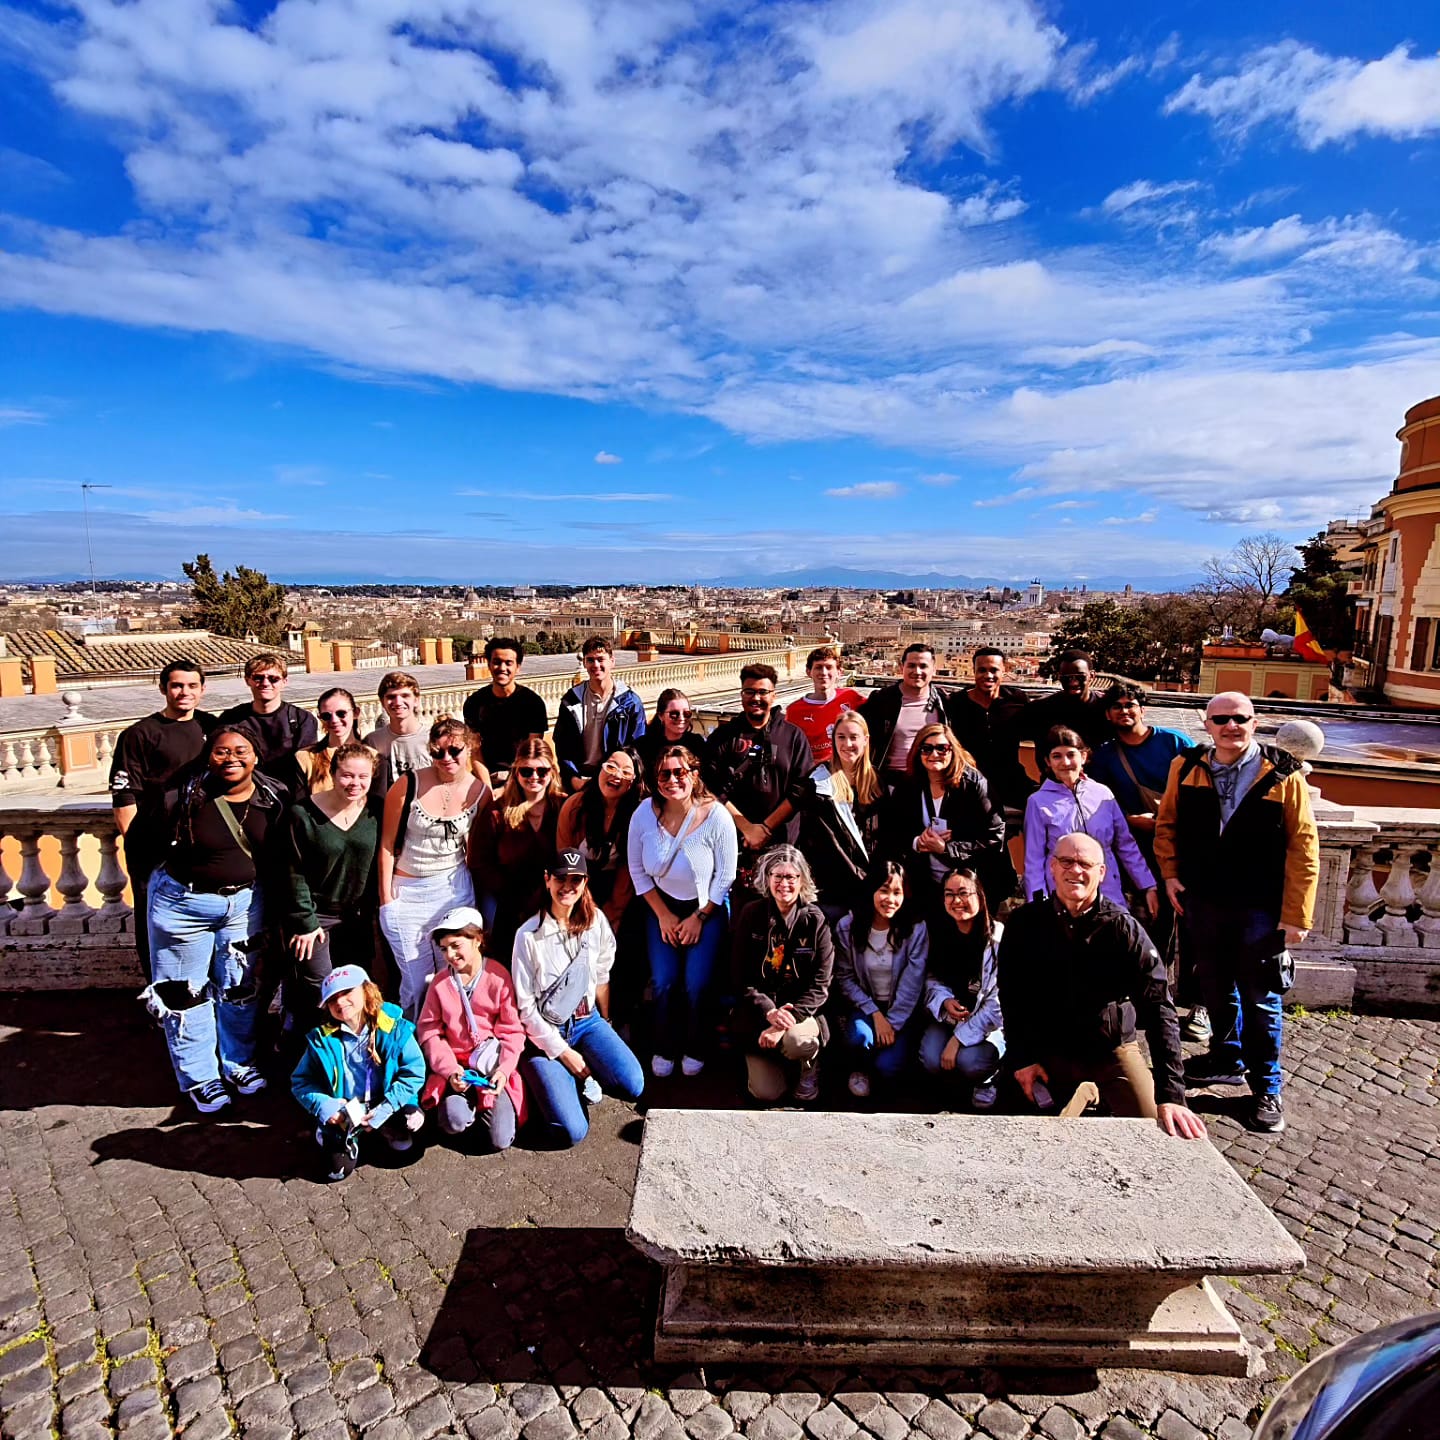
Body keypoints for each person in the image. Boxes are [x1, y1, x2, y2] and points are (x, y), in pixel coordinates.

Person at [1155, 692, 1319, 1136]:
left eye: (1240, 719)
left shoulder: (1283, 774)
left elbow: (1303, 848)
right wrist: (1170, 875)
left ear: (1254, 722)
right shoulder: (1186, 767)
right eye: (1221, 719)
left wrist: (1297, 915)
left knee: (1261, 997)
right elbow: (1166, 825)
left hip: (1260, 906)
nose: (1231, 726)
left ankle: (1266, 1087)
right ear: (1207, 724)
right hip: (1203, 899)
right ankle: (1226, 1057)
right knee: (1213, 985)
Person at [996, 834, 1206, 1139]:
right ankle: (1088, 1092)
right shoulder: (1024, 924)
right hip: (1049, 1047)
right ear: (1052, 867)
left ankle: (1101, 1087)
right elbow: (1012, 997)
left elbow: (1160, 1007)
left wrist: (1172, 1095)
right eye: (1066, 861)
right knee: (1020, 1133)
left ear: (1101, 873)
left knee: (1155, 1130)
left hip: (1111, 1050)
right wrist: (1022, 1058)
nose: (1075, 870)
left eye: (1085, 863)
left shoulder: (1125, 929)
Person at [140, 727, 288, 1114]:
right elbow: (143, 843)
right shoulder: (183, 796)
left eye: (241, 751)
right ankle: (200, 1077)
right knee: (183, 993)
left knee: (238, 987)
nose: (232, 758)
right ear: (209, 757)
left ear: (256, 757)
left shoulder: (274, 798)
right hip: (183, 905)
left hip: (244, 905)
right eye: (222, 752)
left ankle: (238, 1063)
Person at [512, 852, 644, 1148]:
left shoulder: (596, 921)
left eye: (576, 880)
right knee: (572, 1131)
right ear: (547, 880)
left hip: (587, 1021)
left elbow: (601, 975)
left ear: (585, 883)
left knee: (633, 1084)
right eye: (561, 879)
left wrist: (605, 1024)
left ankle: (572, 1078)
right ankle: (549, 1080)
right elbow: (525, 1008)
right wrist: (563, 1052)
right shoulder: (528, 935)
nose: (567, 886)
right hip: (545, 1031)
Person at [1087, 682, 1199, 1030]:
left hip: (1186, 847)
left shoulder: (1175, 743)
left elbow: (1203, 786)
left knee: (1195, 927)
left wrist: (1168, 815)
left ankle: (1198, 1004)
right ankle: (1153, 996)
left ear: (1142, 709)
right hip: (1136, 852)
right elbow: (1099, 800)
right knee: (1151, 926)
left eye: (1130, 705)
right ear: (1108, 714)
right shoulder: (1105, 755)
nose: (1124, 711)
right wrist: (1130, 818)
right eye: (1117, 706)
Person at [627, 746, 738, 1078]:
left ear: (694, 773)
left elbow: (726, 874)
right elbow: (637, 868)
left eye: (680, 772)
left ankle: (695, 1045)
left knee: (696, 984)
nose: (673, 779)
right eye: (664, 774)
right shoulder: (644, 813)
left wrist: (699, 917)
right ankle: (664, 1045)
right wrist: (663, 914)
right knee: (663, 981)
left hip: (705, 908)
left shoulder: (716, 816)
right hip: (660, 906)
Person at [377, 717, 490, 1022]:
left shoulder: (480, 792)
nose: (446, 759)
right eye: (437, 752)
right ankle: (411, 1048)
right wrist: (386, 900)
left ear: (469, 748)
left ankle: (447, 1045)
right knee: (415, 983)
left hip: (453, 892)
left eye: (454, 750)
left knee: (452, 976)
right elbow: (387, 844)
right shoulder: (408, 784)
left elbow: (475, 850)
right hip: (408, 892)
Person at [110, 658, 217, 979]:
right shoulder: (140, 734)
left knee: (202, 925)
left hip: (204, 847)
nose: (185, 692)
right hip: (153, 850)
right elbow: (124, 796)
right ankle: (160, 995)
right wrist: (138, 847)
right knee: (156, 928)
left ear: (202, 690)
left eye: (192, 686)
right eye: (177, 685)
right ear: (163, 689)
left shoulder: (212, 729)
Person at [291, 964, 426, 1183]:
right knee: (336, 1171)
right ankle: (332, 1133)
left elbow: (413, 1072)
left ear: (366, 990)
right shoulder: (321, 1039)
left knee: (407, 1145)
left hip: (385, 1101)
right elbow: (301, 1081)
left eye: (347, 993)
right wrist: (327, 1107)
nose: (340, 1002)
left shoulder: (394, 1027)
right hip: (345, 1109)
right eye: (332, 999)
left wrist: (389, 1106)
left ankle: (386, 1128)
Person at [283, 740, 384, 1028]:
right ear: (333, 772)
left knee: (356, 986)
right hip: (317, 916)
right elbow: (292, 871)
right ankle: (312, 1049)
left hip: (358, 916)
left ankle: (356, 1050)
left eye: (363, 777)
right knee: (322, 987)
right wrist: (305, 922)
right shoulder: (302, 814)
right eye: (347, 775)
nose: (355, 783)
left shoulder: (376, 810)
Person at [730, 846, 834, 1104]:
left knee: (798, 1041)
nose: (784, 883)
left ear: (802, 881)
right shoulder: (751, 914)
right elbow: (739, 977)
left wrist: (785, 1021)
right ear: (767, 878)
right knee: (767, 1093)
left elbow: (822, 983)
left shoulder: (815, 920)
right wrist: (769, 1011)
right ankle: (775, 1062)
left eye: (791, 877)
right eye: (777, 876)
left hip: (801, 1012)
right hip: (759, 1014)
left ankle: (808, 1066)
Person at [416, 907, 526, 1151]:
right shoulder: (440, 983)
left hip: (490, 1068)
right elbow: (429, 1032)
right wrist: (449, 1069)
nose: (450, 955)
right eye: (444, 949)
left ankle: (483, 1109)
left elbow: (512, 1030)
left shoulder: (498, 976)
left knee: (501, 1139)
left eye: (456, 945)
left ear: (477, 939)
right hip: (458, 1070)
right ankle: (457, 1108)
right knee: (452, 1121)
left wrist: (505, 1070)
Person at [1022, 726, 1158, 917]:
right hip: (1063, 895)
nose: (1065, 762)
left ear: (1084, 757)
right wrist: (1037, 905)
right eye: (1057, 756)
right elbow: (1034, 860)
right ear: (1048, 762)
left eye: (1071, 754)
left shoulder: (1103, 794)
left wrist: (1148, 886)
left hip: (1108, 890)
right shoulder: (1037, 802)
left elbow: (1126, 845)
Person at [880, 722, 1008, 910]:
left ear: (952, 750)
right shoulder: (908, 786)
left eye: (942, 748)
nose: (934, 755)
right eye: (926, 749)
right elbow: (892, 832)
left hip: (970, 888)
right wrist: (917, 842)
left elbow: (995, 837)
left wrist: (947, 848)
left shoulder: (973, 785)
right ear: (917, 752)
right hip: (925, 887)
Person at [833, 859, 928, 1098]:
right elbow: (844, 977)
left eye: (897, 892)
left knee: (888, 1066)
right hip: (866, 1007)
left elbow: (913, 982)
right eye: (884, 890)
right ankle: (859, 1068)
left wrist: (892, 1022)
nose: (890, 899)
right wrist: (875, 1014)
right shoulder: (848, 926)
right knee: (860, 1037)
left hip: (901, 1011)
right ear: (871, 890)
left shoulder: (916, 929)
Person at [470, 735, 567, 961]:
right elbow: (479, 862)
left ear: (552, 772)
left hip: (557, 900)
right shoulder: (498, 812)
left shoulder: (563, 807)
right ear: (516, 772)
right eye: (526, 771)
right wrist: (509, 892)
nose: (534, 777)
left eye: (541, 771)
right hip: (510, 901)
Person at [704, 662, 813, 852]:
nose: (756, 698)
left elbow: (801, 789)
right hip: (732, 841)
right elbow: (709, 786)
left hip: (783, 842)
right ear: (741, 695)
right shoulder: (723, 737)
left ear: (773, 696)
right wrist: (746, 827)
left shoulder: (793, 736)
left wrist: (766, 827)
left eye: (763, 692)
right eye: (749, 692)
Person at [920, 868, 1006, 1108]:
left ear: (979, 895)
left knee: (971, 1062)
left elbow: (998, 1004)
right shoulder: (939, 934)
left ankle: (988, 1078)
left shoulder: (998, 940)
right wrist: (944, 1001)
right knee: (931, 1058)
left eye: (963, 893)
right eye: (949, 894)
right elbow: (931, 979)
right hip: (949, 1018)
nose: (956, 901)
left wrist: (958, 1039)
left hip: (989, 1026)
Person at [799, 710, 886, 919]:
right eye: (841, 737)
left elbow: (886, 838)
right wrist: (861, 879)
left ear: (866, 740)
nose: (847, 744)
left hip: (873, 892)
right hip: (834, 894)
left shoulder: (879, 784)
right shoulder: (819, 784)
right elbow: (825, 844)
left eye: (854, 737)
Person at [557, 746, 643, 933]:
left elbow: (628, 869)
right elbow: (565, 860)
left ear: (633, 782)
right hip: (576, 887)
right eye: (611, 767)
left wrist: (613, 911)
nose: (616, 775)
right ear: (600, 770)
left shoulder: (637, 816)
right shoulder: (575, 807)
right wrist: (582, 905)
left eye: (626, 772)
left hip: (619, 891)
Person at [553, 635, 646, 791]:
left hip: (616, 780)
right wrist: (573, 779)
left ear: (612, 662)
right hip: (581, 780)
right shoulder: (572, 701)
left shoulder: (630, 703)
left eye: (600, 659)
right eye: (590, 660)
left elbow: (638, 748)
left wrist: (621, 777)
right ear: (584, 663)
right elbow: (563, 747)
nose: (596, 665)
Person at [217, 652, 318, 791]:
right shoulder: (231, 719)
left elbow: (308, 766)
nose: (265, 683)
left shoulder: (302, 719)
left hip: (289, 796)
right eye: (258, 678)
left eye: (273, 679)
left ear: (284, 682)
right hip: (246, 795)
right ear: (247, 680)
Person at [945, 648, 1032, 808]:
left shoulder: (1017, 700)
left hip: (1011, 783)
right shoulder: (956, 703)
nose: (988, 675)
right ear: (973, 671)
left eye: (994, 670)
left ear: (1004, 670)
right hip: (967, 785)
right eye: (982, 670)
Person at [859, 643, 949, 788]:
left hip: (931, 783)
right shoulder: (881, 700)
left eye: (923, 666)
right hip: (888, 783)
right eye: (911, 666)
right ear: (902, 668)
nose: (917, 671)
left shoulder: (944, 703)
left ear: (934, 670)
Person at [461, 637, 549, 783]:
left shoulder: (532, 703)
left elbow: (532, 752)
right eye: (496, 662)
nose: (502, 668)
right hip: (487, 777)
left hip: (523, 776)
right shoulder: (474, 703)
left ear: (518, 667)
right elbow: (476, 752)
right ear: (488, 664)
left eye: (508, 663)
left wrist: (509, 787)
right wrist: (488, 790)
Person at [1023, 649, 1112, 755]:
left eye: (1080, 677)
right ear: (1059, 677)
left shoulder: (1106, 707)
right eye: (1066, 678)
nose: (1073, 683)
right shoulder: (1043, 709)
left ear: (1092, 676)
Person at [787, 646, 865, 767]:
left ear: (839, 672)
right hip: (814, 776)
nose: (823, 673)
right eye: (818, 667)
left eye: (829, 667)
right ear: (809, 672)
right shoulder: (794, 711)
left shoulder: (851, 697)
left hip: (849, 771)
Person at [364, 671, 433, 788]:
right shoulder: (373, 741)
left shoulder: (432, 738)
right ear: (382, 702)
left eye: (405, 696)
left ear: (416, 700)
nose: (398, 702)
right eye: (391, 697)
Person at [296, 687, 362, 795]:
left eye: (341, 713)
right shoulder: (305, 758)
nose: (334, 720)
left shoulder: (373, 755)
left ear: (356, 713)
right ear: (320, 717)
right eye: (326, 716)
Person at [637, 688, 706, 778]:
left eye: (686, 713)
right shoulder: (643, 746)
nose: (681, 718)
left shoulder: (697, 743)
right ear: (661, 716)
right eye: (674, 714)